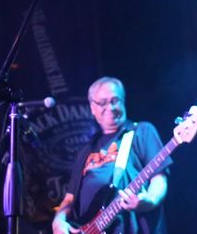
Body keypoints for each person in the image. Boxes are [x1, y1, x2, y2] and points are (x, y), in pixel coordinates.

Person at [52, 77, 170, 234]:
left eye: (115, 100)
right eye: (102, 103)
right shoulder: (86, 150)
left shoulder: (141, 132)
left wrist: (149, 200)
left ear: (123, 101)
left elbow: (159, 178)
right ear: (92, 108)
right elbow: (70, 197)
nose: (111, 107)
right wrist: (58, 220)